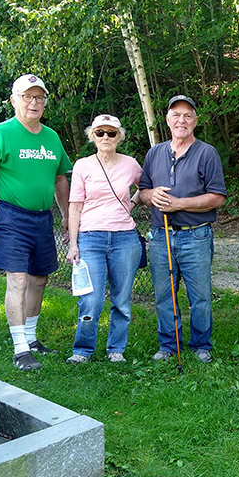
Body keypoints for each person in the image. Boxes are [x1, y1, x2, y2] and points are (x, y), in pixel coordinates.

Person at [0, 74, 72, 370]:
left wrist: (66, 215)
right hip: (9, 216)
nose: (34, 102)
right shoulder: (1, 133)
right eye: (27, 96)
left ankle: (32, 338)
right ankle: (20, 350)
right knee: (17, 279)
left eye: (39, 97)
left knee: (39, 278)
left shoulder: (52, 137)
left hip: (42, 219)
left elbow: (59, 178)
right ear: (13, 100)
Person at [139, 95, 227, 363]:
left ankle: (202, 344)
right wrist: (151, 195)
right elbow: (142, 191)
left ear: (195, 121)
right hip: (160, 236)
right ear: (167, 120)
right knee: (164, 295)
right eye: (176, 115)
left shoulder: (207, 153)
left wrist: (179, 204)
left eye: (188, 115)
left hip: (196, 236)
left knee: (199, 296)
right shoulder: (154, 153)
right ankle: (168, 344)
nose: (182, 120)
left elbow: (217, 197)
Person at [65, 115, 143, 365]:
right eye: (100, 133)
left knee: (122, 299)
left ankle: (116, 349)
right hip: (90, 238)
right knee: (91, 299)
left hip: (125, 238)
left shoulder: (131, 164)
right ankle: (83, 349)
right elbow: (75, 206)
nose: (106, 138)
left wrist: (132, 202)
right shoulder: (82, 165)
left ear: (119, 136)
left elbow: (146, 186)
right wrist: (74, 244)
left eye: (111, 133)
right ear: (92, 136)